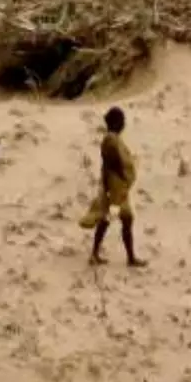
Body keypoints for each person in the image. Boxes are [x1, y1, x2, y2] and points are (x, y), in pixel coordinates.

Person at [80, 106, 143, 267]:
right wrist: (123, 175)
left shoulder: (111, 138)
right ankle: (126, 258)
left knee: (114, 220)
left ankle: (101, 254)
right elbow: (113, 161)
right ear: (116, 122)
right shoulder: (111, 139)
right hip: (115, 191)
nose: (124, 124)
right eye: (122, 121)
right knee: (114, 220)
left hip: (116, 190)